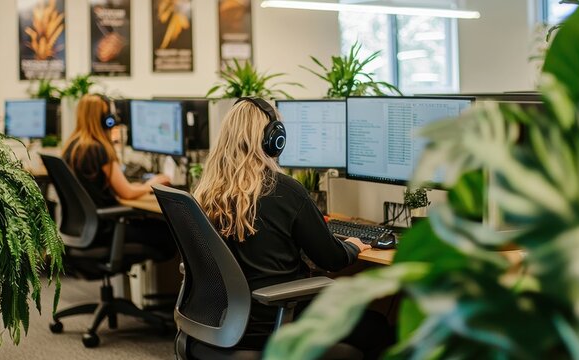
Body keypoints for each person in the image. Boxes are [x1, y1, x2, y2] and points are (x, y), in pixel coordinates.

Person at [192, 98, 393, 358]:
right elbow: (331, 259)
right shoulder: (283, 190)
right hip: (274, 319)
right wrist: (353, 246)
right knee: (377, 327)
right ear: (273, 140)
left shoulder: (207, 191)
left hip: (223, 319)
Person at [62, 94, 174, 259]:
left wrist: (139, 186)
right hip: (105, 230)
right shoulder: (99, 149)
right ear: (105, 121)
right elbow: (126, 193)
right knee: (170, 233)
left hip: (86, 229)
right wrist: (153, 183)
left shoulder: (72, 146)